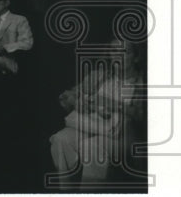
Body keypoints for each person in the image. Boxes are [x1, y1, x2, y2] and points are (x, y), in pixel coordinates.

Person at [49, 41, 143, 183]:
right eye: (114, 51)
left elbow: (143, 117)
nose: (118, 56)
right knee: (60, 139)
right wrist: (77, 101)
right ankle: (65, 192)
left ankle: (89, 194)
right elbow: (67, 96)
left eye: (125, 52)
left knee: (91, 146)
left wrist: (114, 104)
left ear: (136, 57)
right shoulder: (99, 76)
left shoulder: (142, 83)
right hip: (92, 125)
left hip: (123, 133)